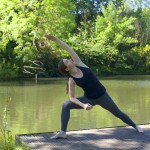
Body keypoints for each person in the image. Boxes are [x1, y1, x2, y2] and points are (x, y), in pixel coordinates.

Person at [45, 34, 143, 139]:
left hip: (102, 96)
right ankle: (63, 132)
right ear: (67, 69)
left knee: (118, 113)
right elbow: (72, 98)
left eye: (68, 59)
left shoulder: (79, 64)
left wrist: (56, 39)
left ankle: (135, 126)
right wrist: (83, 105)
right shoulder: (71, 79)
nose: (69, 60)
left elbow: (68, 49)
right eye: (67, 62)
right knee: (66, 104)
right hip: (89, 99)